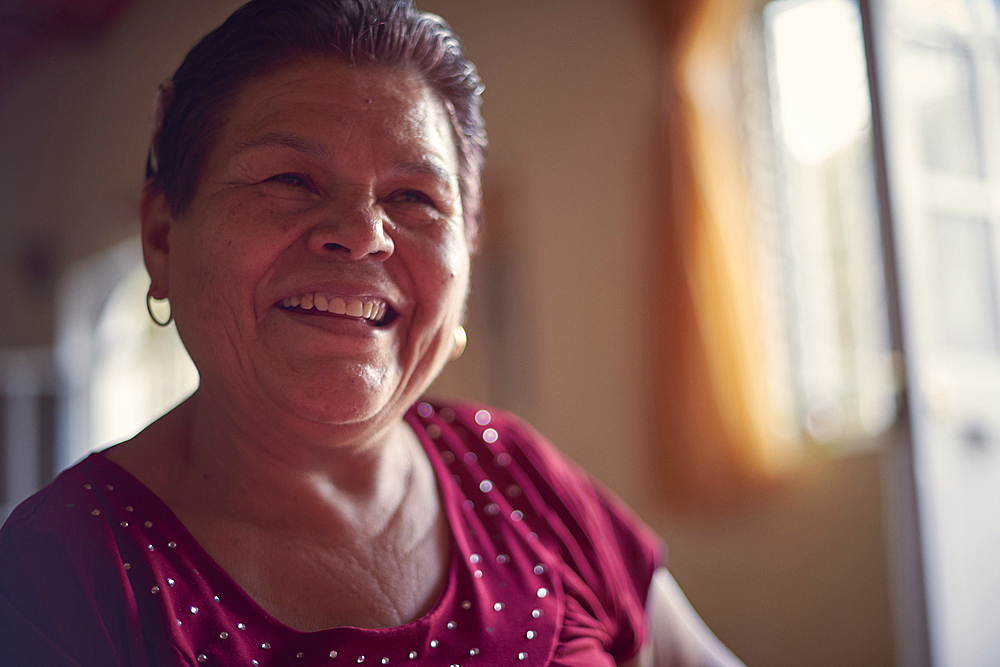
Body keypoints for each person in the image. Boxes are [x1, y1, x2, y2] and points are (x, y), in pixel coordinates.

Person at [0, 1, 744, 665]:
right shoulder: (61, 572)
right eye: (288, 179)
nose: (361, 234)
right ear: (162, 237)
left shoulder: (517, 475)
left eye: (415, 197)